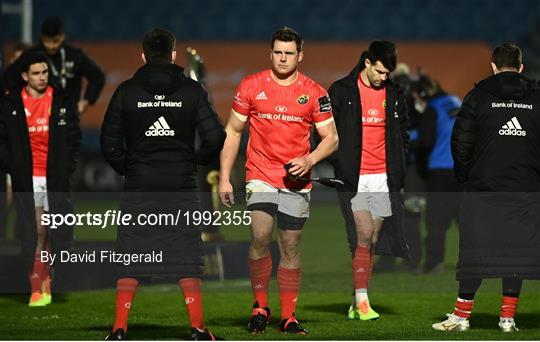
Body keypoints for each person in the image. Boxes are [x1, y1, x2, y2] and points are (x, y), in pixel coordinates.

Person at [101, 28, 225, 340]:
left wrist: (130, 168)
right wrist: (193, 161)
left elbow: (108, 142)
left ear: (143, 56)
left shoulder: (126, 91)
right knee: (186, 255)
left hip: (140, 187)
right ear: (173, 54)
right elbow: (216, 137)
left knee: (131, 254)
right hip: (180, 187)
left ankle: (118, 330)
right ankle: (197, 329)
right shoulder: (192, 91)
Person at [219, 27, 338, 335]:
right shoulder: (250, 86)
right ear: (270, 53)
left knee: (289, 245)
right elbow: (232, 132)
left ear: (300, 55)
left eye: (289, 53)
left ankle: (288, 316)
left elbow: (331, 139)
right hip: (259, 174)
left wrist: (310, 160)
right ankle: (260, 306)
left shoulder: (315, 92)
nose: (283, 58)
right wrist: (224, 178)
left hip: (297, 182)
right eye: (278, 52)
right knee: (260, 236)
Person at [433, 43, 540, 333]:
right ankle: (508, 318)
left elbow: (461, 143)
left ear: (493, 66)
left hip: (483, 189)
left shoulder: (478, 96)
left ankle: (461, 317)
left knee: (473, 250)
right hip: (526, 191)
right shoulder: (536, 97)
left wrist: (465, 177)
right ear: (521, 67)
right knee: (517, 252)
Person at [328, 41, 409, 321]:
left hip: (383, 179)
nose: (383, 78)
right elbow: (326, 133)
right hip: (356, 178)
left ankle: (356, 298)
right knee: (363, 234)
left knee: (372, 241)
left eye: (387, 73)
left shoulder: (395, 93)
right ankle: (363, 303)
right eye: (379, 71)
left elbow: (403, 133)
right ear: (367, 62)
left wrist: (399, 168)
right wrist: (340, 166)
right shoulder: (341, 91)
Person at [0, 51, 81, 306]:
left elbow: (74, 137)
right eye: (36, 73)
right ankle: (38, 284)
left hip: (55, 177)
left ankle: (48, 277)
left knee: (53, 231)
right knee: (37, 229)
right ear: (25, 76)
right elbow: (2, 141)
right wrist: (12, 166)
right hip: (30, 176)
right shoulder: (11, 104)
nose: (42, 77)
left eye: (45, 72)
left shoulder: (61, 100)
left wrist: (66, 167)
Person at [2, 17, 105, 115]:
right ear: (42, 38)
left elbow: (98, 77)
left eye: (55, 41)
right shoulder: (31, 55)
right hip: (37, 115)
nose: (51, 46)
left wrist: (85, 102)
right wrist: (20, 104)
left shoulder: (74, 55)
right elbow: (9, 79)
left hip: (68, 115)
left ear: (62, 36)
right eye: (47, 41)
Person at [412, 74, 462, 273]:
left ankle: (434, 263)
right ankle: (474, 263)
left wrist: (408, 141)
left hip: (440, 172)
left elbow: (426, 140)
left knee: (436, 223)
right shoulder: (457, 102)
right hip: (461, 172)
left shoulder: (432, 109)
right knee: (466, 223)